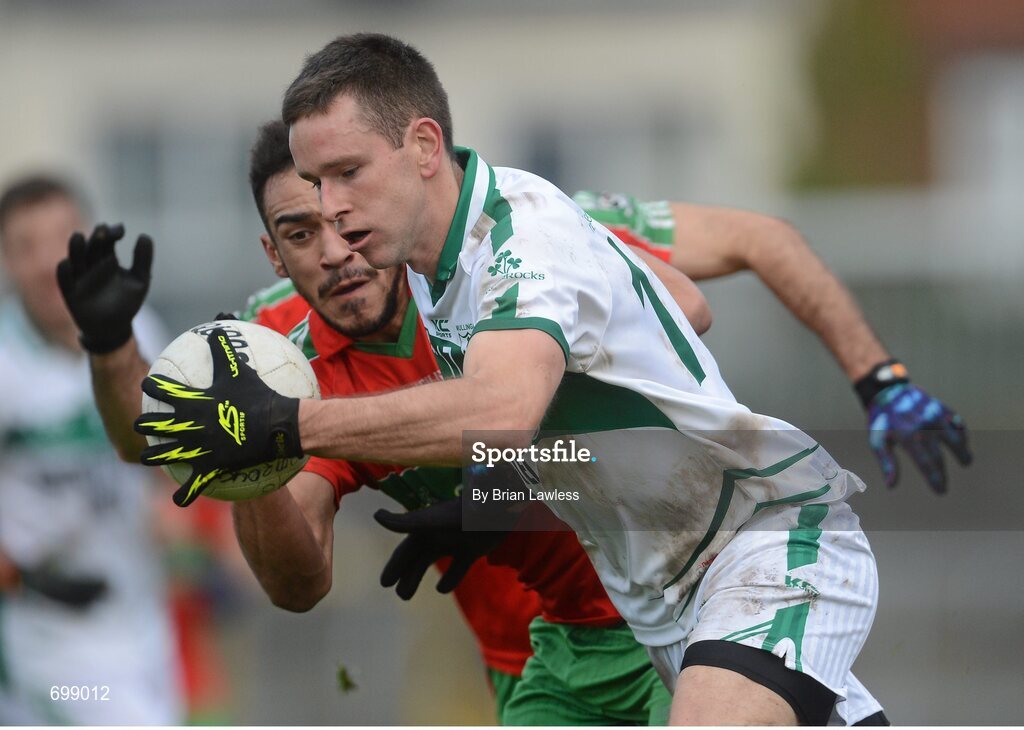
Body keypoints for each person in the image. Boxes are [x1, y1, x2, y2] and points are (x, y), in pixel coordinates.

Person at [131, 34, 908, 725]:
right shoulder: (425, 266)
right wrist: (493, 492)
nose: (331, 212)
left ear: (424, 147)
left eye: (347, 174)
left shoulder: (526, 240)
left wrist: (288, 425)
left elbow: (507, 404)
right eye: (313, 189)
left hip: (760, 548)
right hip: (649, 601)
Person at [0, 175, 183, 724]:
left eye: (61, 236)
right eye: (25, 246)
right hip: (46, 631)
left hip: (142, 615)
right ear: (7, 262)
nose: (47, 262)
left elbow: (167, 461)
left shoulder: (136, 329)